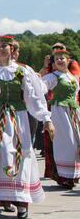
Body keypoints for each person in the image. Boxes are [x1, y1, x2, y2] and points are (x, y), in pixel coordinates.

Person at [0, 35, 53, 219]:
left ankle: (22, 202)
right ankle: (4, 198)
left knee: (20, 156)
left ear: (12, 49)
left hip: (17, 119)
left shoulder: (23, 71)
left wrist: (46, 119)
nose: (0, 49)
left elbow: (34, 98)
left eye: (4, 46)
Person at [42, 48, 80, 189]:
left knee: (76, 142)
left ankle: (74, 175)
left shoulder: (72, 77)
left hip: (74, 111)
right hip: (60, 113)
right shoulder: (53, 77)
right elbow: (40, 88)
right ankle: (64, 176)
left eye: (62, 58)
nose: (59, 60)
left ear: (68, 60)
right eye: (56, 58)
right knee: (66, 143)